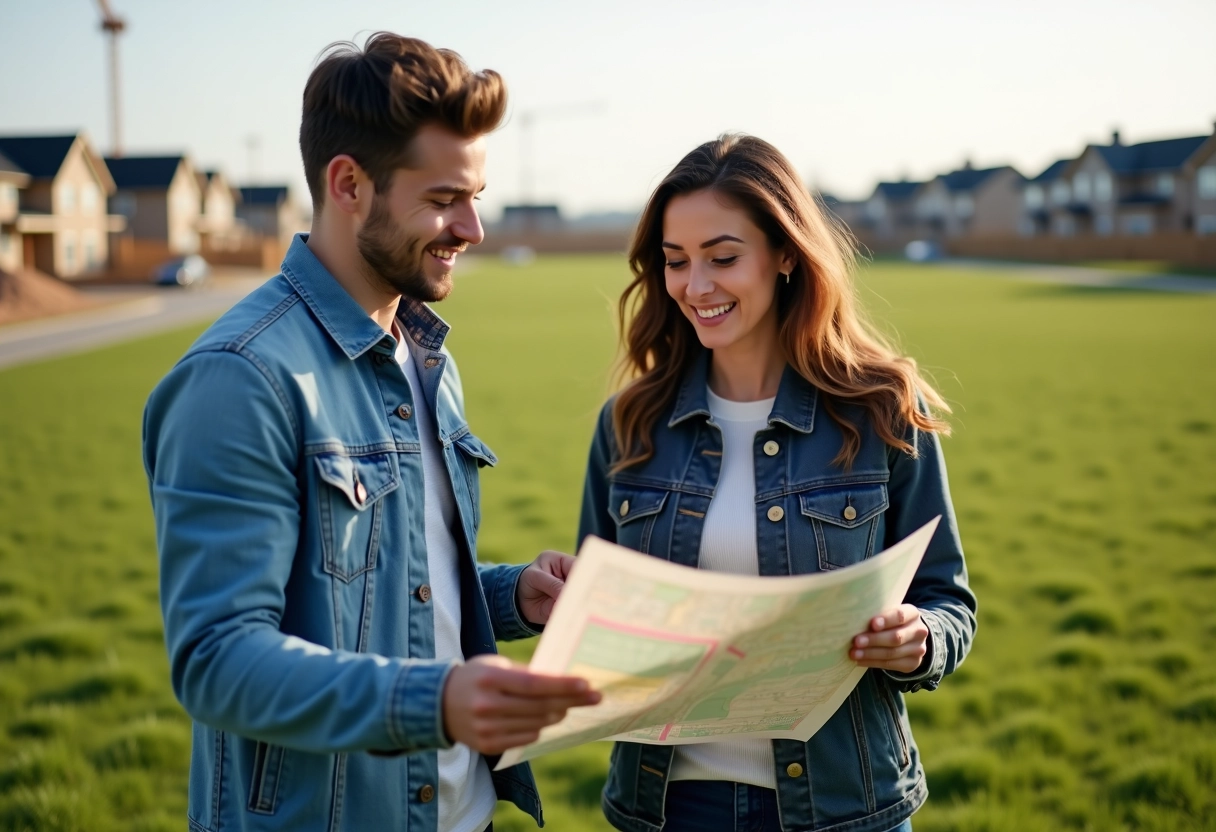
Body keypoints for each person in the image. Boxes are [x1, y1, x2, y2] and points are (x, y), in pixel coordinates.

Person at [143, 33, 598, 832]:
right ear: (349, 184)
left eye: (476, 196)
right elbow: (217, 660)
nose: (473, 228)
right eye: (444, 198)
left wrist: (510, 595)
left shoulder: (426, 359)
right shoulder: (240, 378)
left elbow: (397, 588)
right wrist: (435, 701)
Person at [578, 134, 977, 832]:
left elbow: (948, 602)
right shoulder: (629, 423)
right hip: (670, 808)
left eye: (723, 257)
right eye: (676, 261)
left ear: (786, 254)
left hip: (845, 807)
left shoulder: (881, 410)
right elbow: (597, 613)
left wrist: (919, 638)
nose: (696, 286)